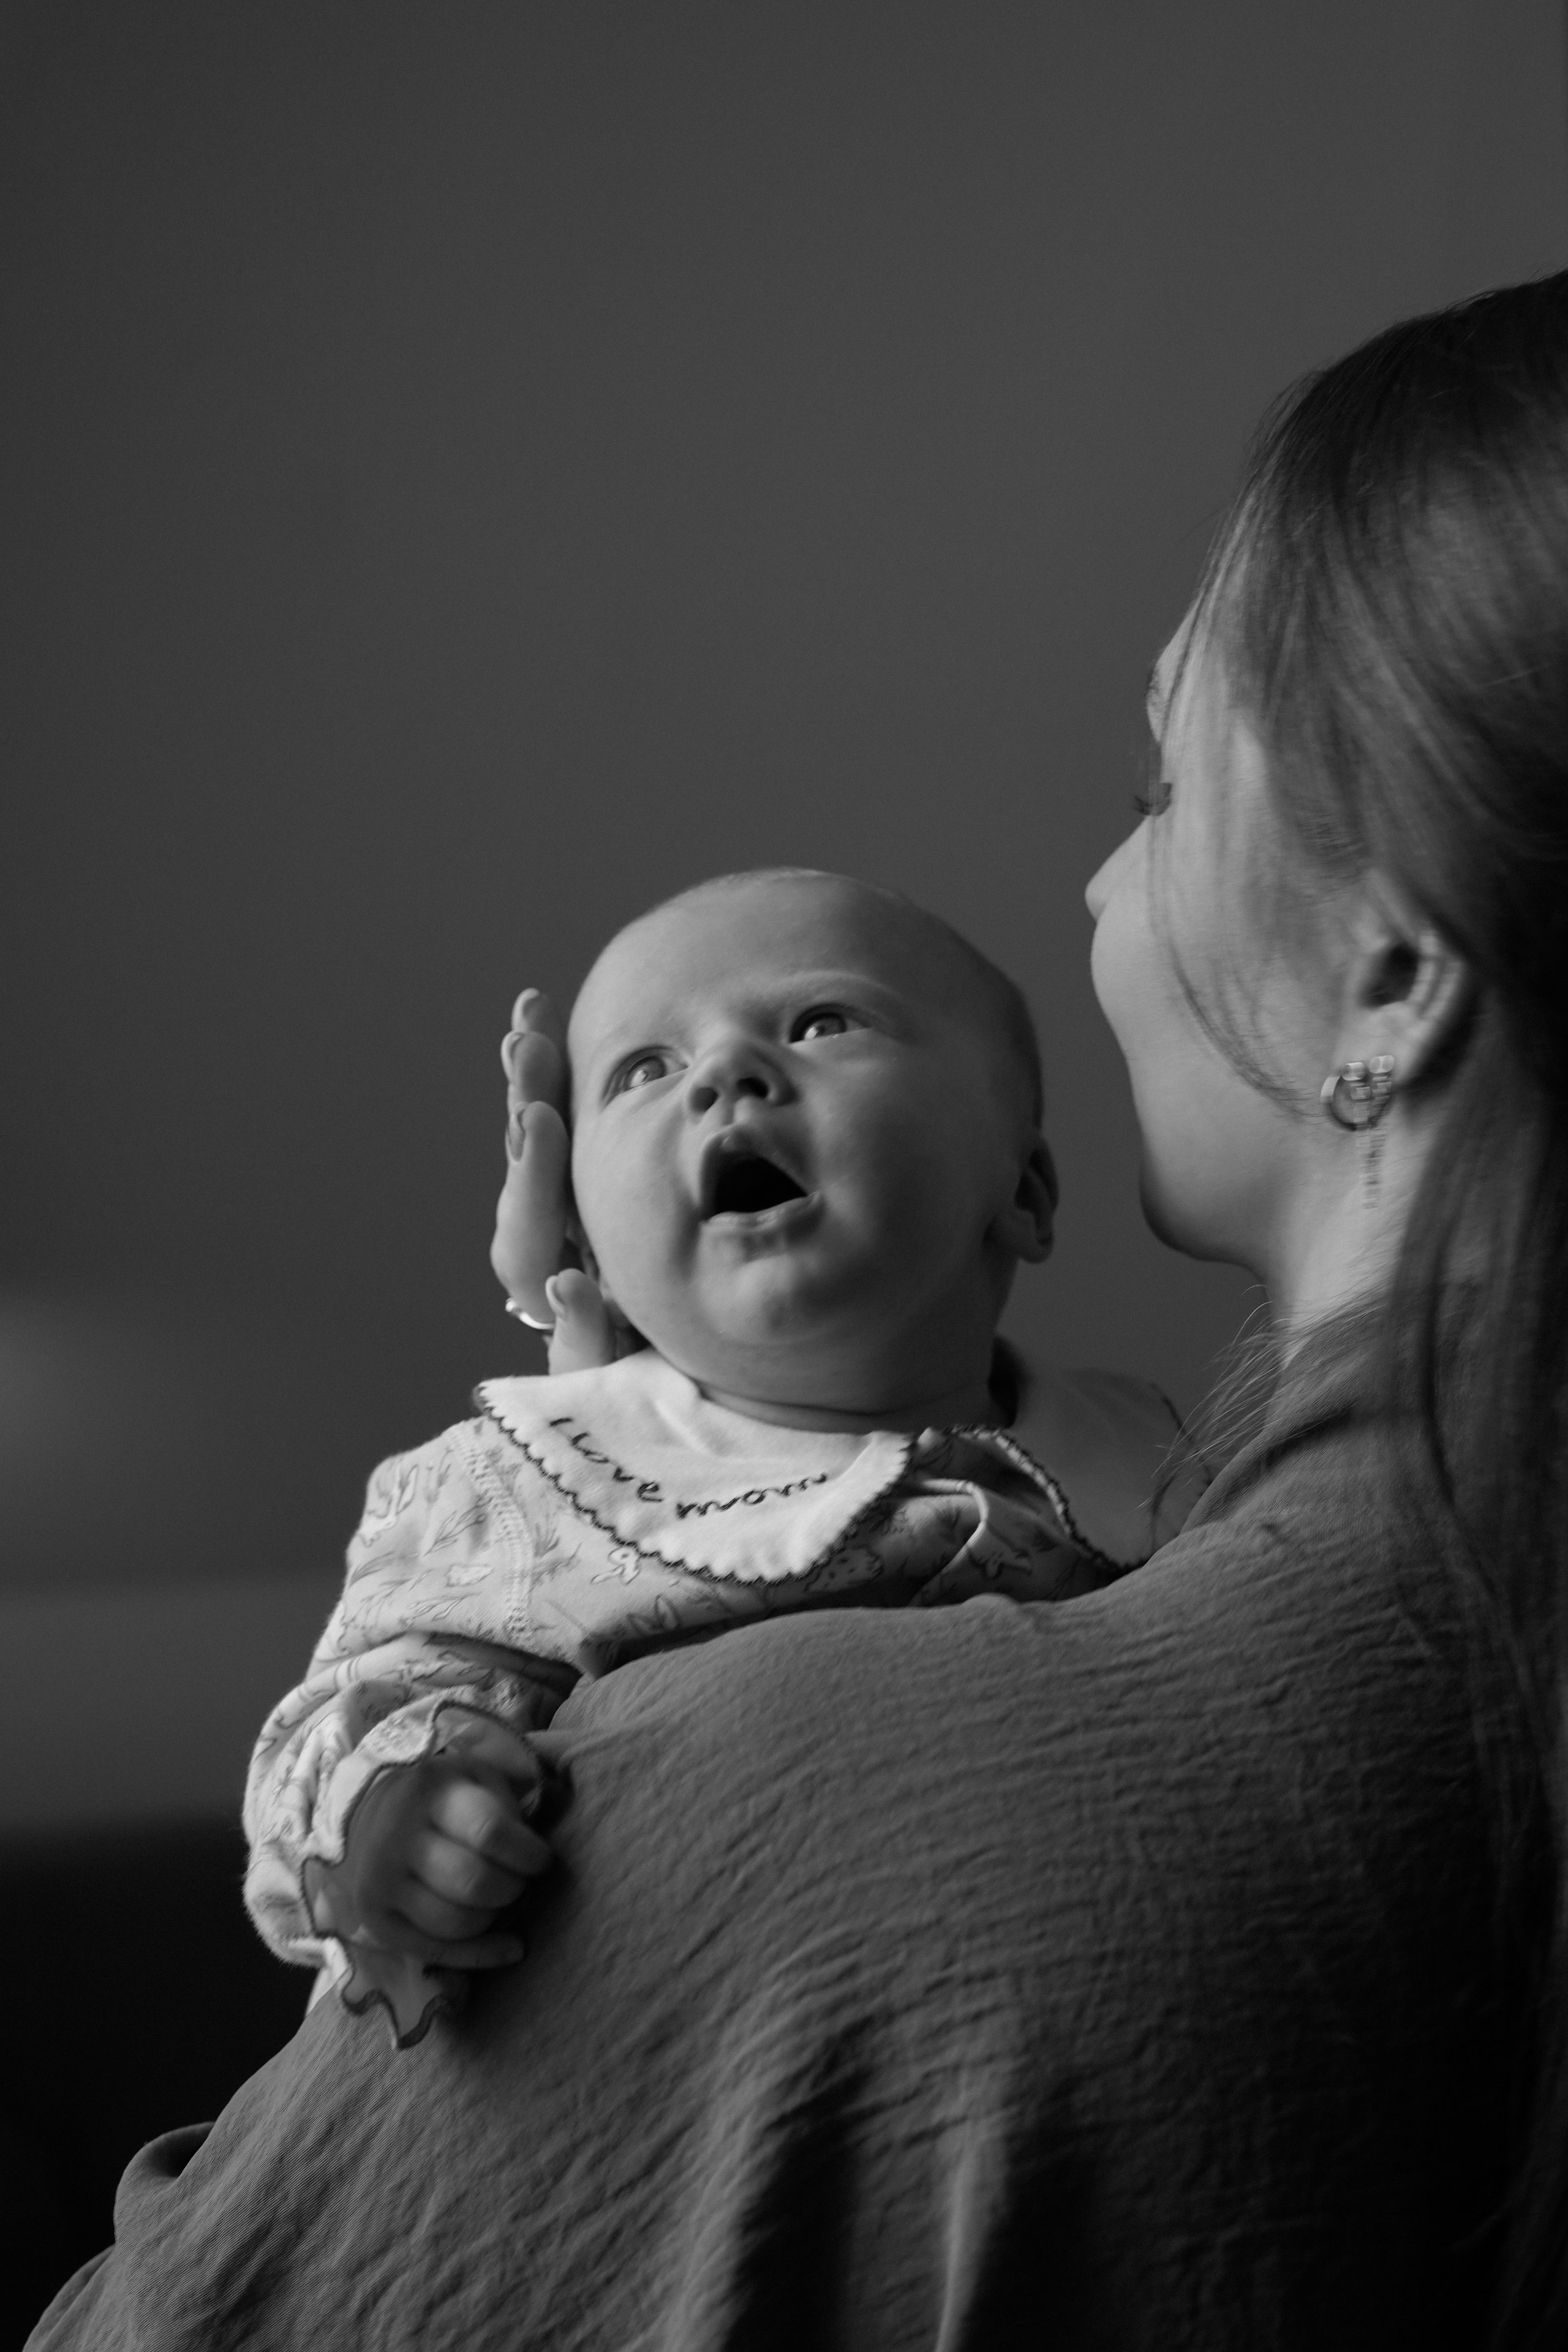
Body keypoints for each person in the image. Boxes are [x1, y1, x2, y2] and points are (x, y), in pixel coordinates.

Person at [29, 272, 1568, 2350]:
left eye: (1156, 794)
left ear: (1390, 975)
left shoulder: (811, 1811)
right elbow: (373, 1707)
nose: (1107, 896)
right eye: (649, 1069)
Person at [244, 869, 1194, 2045]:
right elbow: (339, 1721)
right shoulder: (533, 1483)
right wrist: (385, 1812)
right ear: (586, 1234)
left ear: (1028, 1192)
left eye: (821, 1023)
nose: (725, 1076)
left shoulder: (1151, 1465)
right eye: (644, 1070)